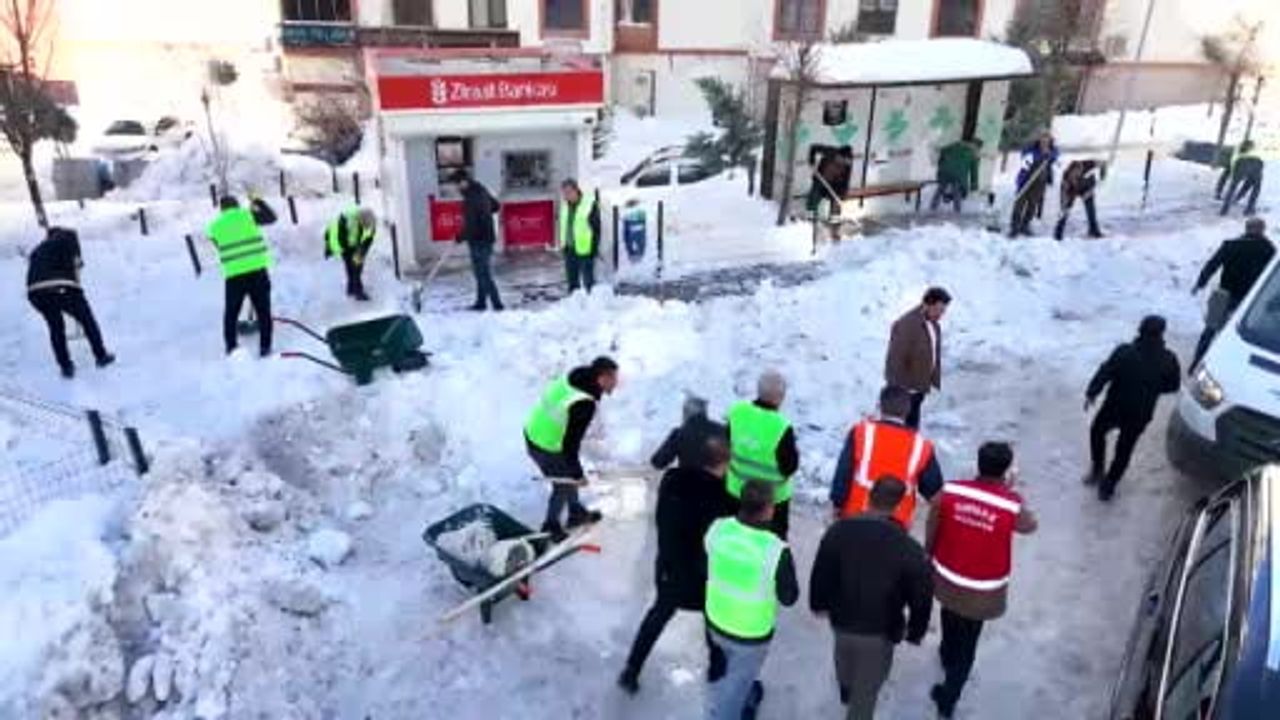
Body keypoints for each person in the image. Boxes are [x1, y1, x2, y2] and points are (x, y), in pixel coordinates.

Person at [926, 442, 1038, 719]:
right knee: (969, 642)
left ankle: (945, 654)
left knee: (949, 616)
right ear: (1006, 469)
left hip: (947, 576)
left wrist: (928, 554)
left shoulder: (952, 490)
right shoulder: (1009, 503)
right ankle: (948, 698)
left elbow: (933, 520)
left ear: (979, 463)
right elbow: (1030, 525)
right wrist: (1011, 492)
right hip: (983, 590)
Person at [618, 436, 735, 695]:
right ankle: (716, 666)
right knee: (712, 618)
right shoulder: (722, 498)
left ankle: (632, 668)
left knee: (658, 615)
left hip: (669, 566)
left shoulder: (672, 478)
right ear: (724, 464)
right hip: (701, 573)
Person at [810, 476, 933, 720]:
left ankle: (845, 689)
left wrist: (818, 604)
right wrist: (916, 631)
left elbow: (822, 570)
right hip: (879, 631)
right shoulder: (909, 548)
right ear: (899, 505)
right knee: (865, 695)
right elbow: (921, 596)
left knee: (843, 660)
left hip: (841, 619)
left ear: (868, 496)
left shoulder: (838, 531)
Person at [704, 480, 799, 720]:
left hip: (715, 618)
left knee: (725, 671)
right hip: (750, 632)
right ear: (768, 510)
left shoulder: (718, 528)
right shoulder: (776, 550)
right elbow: (789, 597)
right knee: (735, 688)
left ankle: (743, 694)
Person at [1085, 316, 1181, 501]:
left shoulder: (1124, 352)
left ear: (1140, 330)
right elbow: (1173, 385)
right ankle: (1109, 485)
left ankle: (1097, 469)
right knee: (1125, 449)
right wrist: (1153, 388)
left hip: (1114, 407)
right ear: (1162, 334)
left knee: (1097, 432)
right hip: (1140, 413)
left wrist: (1092, 392)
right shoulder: (1169, 359)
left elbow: (1105, 372)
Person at [524, 356, 619, 540]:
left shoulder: (578, 375)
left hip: (535, 430)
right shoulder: (584, 404)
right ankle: (550, 526)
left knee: (568, 474)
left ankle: (575, 513)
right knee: (563, 483)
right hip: (545, 444)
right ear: (601, 378)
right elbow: (570, 445)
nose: (616, 382)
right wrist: (578, 476)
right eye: (612, 378)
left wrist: (574, 474)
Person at [830, 385, 944, 529]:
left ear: (881, 406)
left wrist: (837, 505)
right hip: (896, 524)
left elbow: (843, 472)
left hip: (855, 516)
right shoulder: (921, 445)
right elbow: (934, 492)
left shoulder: (861, 432)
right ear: (908, 410)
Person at [25, 227, 115, 378]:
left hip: (35, 292)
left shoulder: (37, 249)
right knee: (87, 319)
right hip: (62, 285)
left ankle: (66, 367)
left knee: (56, 327)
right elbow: (77, 263)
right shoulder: (69, 236)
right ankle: (101, 356)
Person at [1191, 218, 1276, 369]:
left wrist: (1200, 283)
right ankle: (1221, 365)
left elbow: (1212, 264)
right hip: (1249, 300)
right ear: (1262, 230)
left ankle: (1196, 362)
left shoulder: (1231, 245)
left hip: (1224, 293)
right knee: (1236, 335)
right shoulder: (1270, 251)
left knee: (1209, 330)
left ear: (1246, 228)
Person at [725, 370, 799, 539]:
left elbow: (725, 444)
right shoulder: (781, 426)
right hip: (771, 501)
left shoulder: (737, 412)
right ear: (781, 397)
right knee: (771, 548)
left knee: (735, 539)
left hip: (736, 492)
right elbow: (790, 466)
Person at [207, 194, 277, 356]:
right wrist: (258, 201)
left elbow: (219, 246)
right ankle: (265, 348)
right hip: (257, 272)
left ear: (222, 209)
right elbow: (271, 218)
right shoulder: (248, 215)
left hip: (234, 276)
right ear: (237, 205)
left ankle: (231, 347)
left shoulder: (214, 227)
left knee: (231, 313)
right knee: (263, 311)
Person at [885, 287, 950, 429]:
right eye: (938, 310)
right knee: (903, 429)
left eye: (943, 311)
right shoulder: (906, 324)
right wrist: (897, 391)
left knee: (913, 424)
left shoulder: (934, 325)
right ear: (927, 304)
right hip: (905, 390)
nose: (941, 314)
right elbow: (895, 360)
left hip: (919, 387)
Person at [453, 170, 504, 311]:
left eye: (457, 184)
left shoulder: (471, 198)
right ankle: (481, 303)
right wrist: (485, 214)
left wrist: (459, 237)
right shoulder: (481, 190)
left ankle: (497, 305)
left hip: (479, 239)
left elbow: (471, 225)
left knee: (483, 273)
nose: (456, 188)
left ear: (464, 181)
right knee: (481, 272)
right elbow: (496, 206)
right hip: (487, 237)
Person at [650, 395, 728, 471]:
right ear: (704, 412)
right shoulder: (720, 430)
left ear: (687, 412)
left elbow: (658, 463)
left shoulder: (679, 434)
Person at [1009, 133, 1058, 237]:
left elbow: (1056, 155)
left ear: (1050, 141)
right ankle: (1014, 227)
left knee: (1032, 205)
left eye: (1047, 141)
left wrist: (1049, 154)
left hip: (1040, 182)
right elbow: (1025, 156)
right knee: (1019, 203)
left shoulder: (1052, 150)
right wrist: (1041, 155)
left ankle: (1025, 226)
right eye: (1042, 140)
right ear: (1039, 140)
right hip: (1026, 179)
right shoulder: (1031, 149)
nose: (1044, 142)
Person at [325, 206, 376, 301]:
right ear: (360, 219)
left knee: (355, 267)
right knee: (354, 268)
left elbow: (369, 238)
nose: (366, 226)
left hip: (356, 245)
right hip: (345, 245)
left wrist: (362, 251)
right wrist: (344, 250)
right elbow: (339, 236)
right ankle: (358, 292)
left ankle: (351, 288)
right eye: (364, 224)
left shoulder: (370, 221)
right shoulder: (348, 219)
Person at [560, 178, 601, 294]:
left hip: (585, 250)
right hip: (569, 248)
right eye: (564, 193)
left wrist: (594, 248)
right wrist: (563, 245)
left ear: (576, 190)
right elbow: (564, 226)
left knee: (588, 281)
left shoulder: (589, 204)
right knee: (572, 281)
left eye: (568, 192)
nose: (566, 195)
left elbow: (597, 229)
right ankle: (574, 304)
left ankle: (592, 303)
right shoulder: (565, 205)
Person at [1054, 159, 1104, 240]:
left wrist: (1102, 177)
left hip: (1086, 186)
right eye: (1073, 175)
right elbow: (1063, 199)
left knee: (1091, 208)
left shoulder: (1087, 164)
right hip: (1071, 190)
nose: (1076, 175)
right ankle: (1058, 233)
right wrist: (1064, 206)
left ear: (1081, 169)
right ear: (1070, 172)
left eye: (1078, 173)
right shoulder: (1065, 181)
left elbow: (1103, 163)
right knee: (1065, 210)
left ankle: (1093, 230)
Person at [932, 139, 981, 213]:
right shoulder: (973, 154)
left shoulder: (953, 146)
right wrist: (974, 186)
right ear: (976, 147)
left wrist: (940, 174)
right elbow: (974, 173)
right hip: (958, 177)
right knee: (957, 192)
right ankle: (957, 212)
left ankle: (932, 207)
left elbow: (942, 155)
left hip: (944, 172)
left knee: (940, 189)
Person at [1220, 140, 1264, 216]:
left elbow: (1224, 177)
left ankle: (1225, 209)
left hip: (1241, 164)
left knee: (1233, 187)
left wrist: (1218, 191)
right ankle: (1249, 208)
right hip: (1257, 163)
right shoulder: (1256, 152)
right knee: (1255, 186)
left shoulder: (1235, 154)